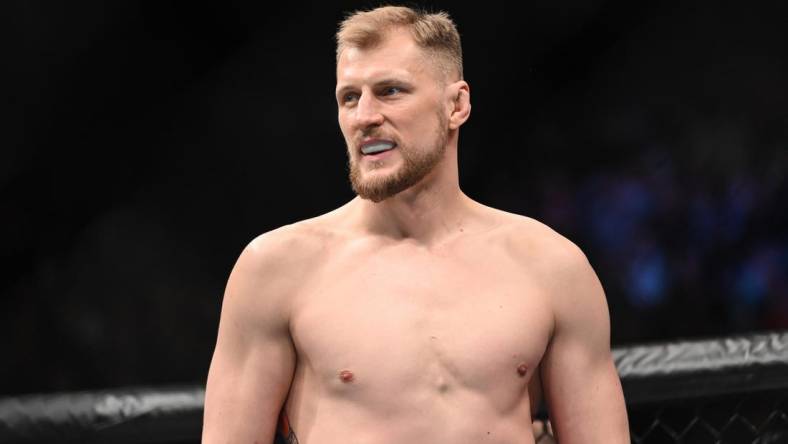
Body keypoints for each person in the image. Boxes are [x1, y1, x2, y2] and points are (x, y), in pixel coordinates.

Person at [201, 5, 629, 444]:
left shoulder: (551, 267)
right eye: (349, 97)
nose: (363, 116)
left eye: (389, 91)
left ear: (456, 105)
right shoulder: (276, 269)